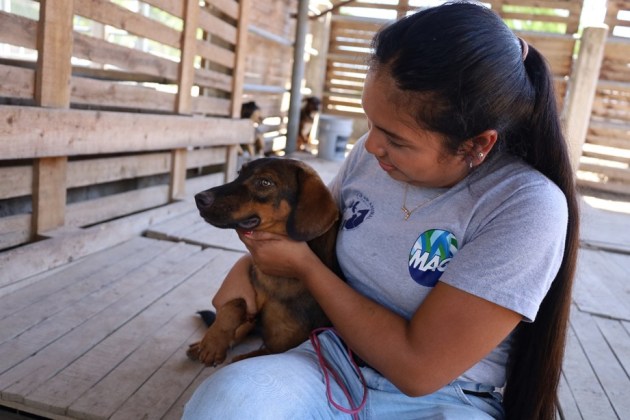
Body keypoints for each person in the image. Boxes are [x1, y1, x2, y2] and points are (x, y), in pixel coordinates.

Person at [183, 2, 579, 419]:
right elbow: (309, 232)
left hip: (445, 398)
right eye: (369, 122)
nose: (371, 147)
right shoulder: (372, 157)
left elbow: (418, 369)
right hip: (328, 359)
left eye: (396, 138)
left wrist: (306, 269)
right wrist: (248, 273)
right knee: (228, 405)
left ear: (477, 145)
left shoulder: (524, 205)